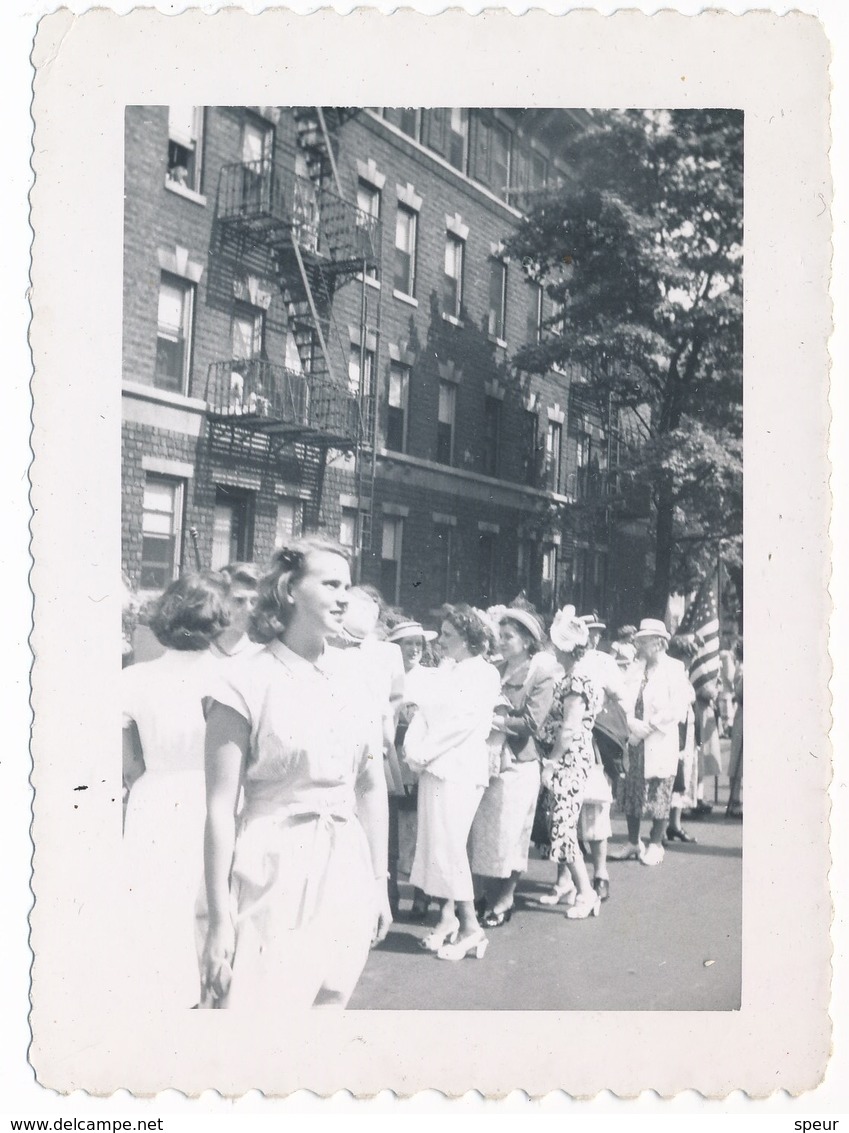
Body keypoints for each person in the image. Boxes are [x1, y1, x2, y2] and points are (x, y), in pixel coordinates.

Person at [200, 539, 392, 1010]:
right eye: (330, 584)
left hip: (344, 864)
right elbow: (220, 808)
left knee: (329, 1008)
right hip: (272, 868)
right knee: (261, 1025)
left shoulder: (357, 678)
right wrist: (220, 919)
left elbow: (369, 786)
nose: (345, 596)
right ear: (289, 589)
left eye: (347, 585)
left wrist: (379, 884)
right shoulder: (244, 680)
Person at [122, 572, 230, 1010]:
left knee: (157, 908)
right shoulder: (229, 676)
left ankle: (166, 1003)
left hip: (156, 796)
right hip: (213, 795)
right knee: (209, 902)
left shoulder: (134, 678)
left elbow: (129, 763)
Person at [405, 605, 501, 961]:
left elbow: (461, 723)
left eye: (448, 635)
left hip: (458, 768)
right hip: (434, 766)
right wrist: (414, 751)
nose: (440, 641)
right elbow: (422, 713)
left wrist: (424, 753)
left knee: (450, 847)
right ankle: (448, 921)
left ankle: (472, 928)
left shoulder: (483, 674)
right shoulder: (447, 670)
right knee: (438, 846)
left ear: (468, 639)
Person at [469, 606, 558, 927]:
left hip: (518, 764)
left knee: (510, 834)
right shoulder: (494, 668)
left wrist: (492, 718)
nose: (502, 642)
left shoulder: (541, 674)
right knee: (481, 832)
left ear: (526, 641)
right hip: (485, 760)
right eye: (500, 636)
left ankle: (504, 899)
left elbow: (532, 721)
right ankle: (481, 896)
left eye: (508, 637)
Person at [332, 586, 407, 914]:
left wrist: (385, 730)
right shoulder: (326, 650)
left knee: (375, 813)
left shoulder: (384, 653)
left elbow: (394, 696)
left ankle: (384, 888)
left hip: (373, 741)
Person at [536, 606, 604, 920]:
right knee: (564, 823)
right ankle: (569, 885)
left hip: (569, 760)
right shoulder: (574, 678)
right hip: (573, 758)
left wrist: (550, 763)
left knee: (564, 826)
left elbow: (569, 730)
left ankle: (586, 892)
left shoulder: (575, 683)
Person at [612, 618, 691, 866]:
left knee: (659, 792)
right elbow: (622, 699)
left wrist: (648, 727)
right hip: (635, 740)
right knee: (632, 790)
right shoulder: (635, 669)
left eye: (643, 641)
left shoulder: (675, 669)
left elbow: (677, 707)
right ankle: (634, 842)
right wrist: (631, 724)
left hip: (658, 739)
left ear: (658, 643)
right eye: (637, 641)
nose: (638, 646)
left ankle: (656, 843)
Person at [572, 614, 630, 903]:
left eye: (596, 633)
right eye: (586, 632)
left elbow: (622, 695)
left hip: (594, 739)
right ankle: (567, 879)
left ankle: (600, 873)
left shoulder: (604, 662)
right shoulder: (561, 657)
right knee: (565, 811)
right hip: (567, 739)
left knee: (594, 806)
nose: (591, 637)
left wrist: (605, 695)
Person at [386, 619, 440, 921]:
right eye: (408, 644)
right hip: (392, 754)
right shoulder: (387, 674)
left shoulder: (429, 678)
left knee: (420, 828)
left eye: (419, 644)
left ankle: (422, 896)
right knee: (393, 827)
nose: (415, 649)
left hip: (417, 758)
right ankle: (391, 893)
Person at [665, 634, 699, 843]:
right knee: (673, 774)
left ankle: (674, 824)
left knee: (684, 775)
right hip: (677, 728)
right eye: (688, 656)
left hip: (688, 729)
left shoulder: (683, 674)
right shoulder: (671, 674)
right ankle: (663, 826)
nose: (691, 661)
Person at [210, 562, 263, 661]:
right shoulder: (200, 649)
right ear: (219, 599)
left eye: (254, 601)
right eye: (239, 600)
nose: (249, 608)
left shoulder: (261, 654)